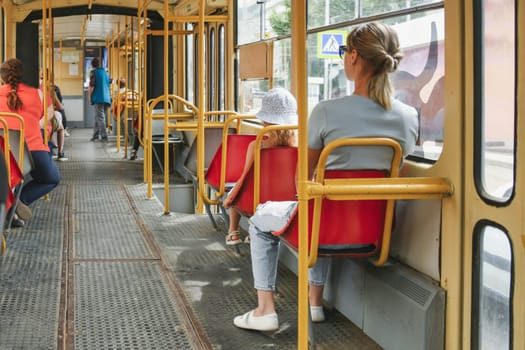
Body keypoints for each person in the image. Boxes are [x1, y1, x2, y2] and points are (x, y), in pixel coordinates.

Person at [233, 22, 419, 332]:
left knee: (271, 215)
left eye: (345, 52)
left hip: (323, 223)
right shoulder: (409, 117)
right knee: (323, 207)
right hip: (376, 228)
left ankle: (265, 309)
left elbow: (302, 182)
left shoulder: (326, 112)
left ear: (355, 57)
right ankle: (314, 302)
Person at [222, 88, 298, 245]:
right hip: (290, 200)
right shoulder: (301, 148)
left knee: (238, 186)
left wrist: (230, 197)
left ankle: (233, 231)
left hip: (258, 201)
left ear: (266, 121)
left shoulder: (257, 146)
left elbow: (245, 177)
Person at [0, 58, 61, 226]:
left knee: (9, 175)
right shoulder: (38, 93)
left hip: (2, 150)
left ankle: (11, 207)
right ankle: (19, 202)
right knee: (51, 178)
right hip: (31, 151)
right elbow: (48, 115)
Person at [88, 57, 111, 141]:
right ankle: (95, 134)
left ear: (92, 65)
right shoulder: (105, 73)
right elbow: (109, 82)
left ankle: (104, 136)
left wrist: (90, 97)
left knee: (100, 117)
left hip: (99, 98)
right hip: (107, 98)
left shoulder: (93, 73)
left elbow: (92, 86)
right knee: (98, 116)